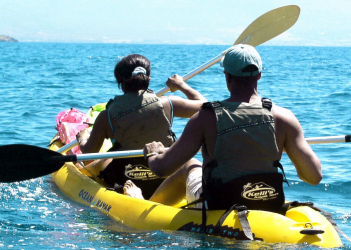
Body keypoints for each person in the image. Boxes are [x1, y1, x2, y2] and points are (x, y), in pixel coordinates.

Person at [124, 45, 322, 213]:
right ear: (259, 75)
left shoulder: (205, 118)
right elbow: (313, 177)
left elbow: (162, 168)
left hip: (219, 205)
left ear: (227, 76)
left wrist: (153, 154)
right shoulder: (284, 118)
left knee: (190, 165)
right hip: (269, 203)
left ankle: (144, 206)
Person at [76, 53, 207, 199]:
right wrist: (181, 85)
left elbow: (89, 152)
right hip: (164, 174)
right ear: (148, 78)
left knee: (102, 161)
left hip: (126, 178)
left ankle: (81, 173)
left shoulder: (107, 116)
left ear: (120, 80)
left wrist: (83, 138)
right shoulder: (168, 104)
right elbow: (207, 107)